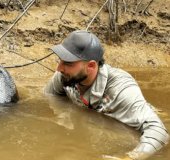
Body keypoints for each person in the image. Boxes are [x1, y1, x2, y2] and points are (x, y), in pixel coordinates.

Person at [44, 30, 169, 160]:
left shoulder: (122, 89)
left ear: (91, 66)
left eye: (68, 63)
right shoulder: (65, 76)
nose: (59, 68)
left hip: (135, 111)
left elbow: (159, 132)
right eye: (60, 61)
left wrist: (130, 158)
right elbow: (47, 98)